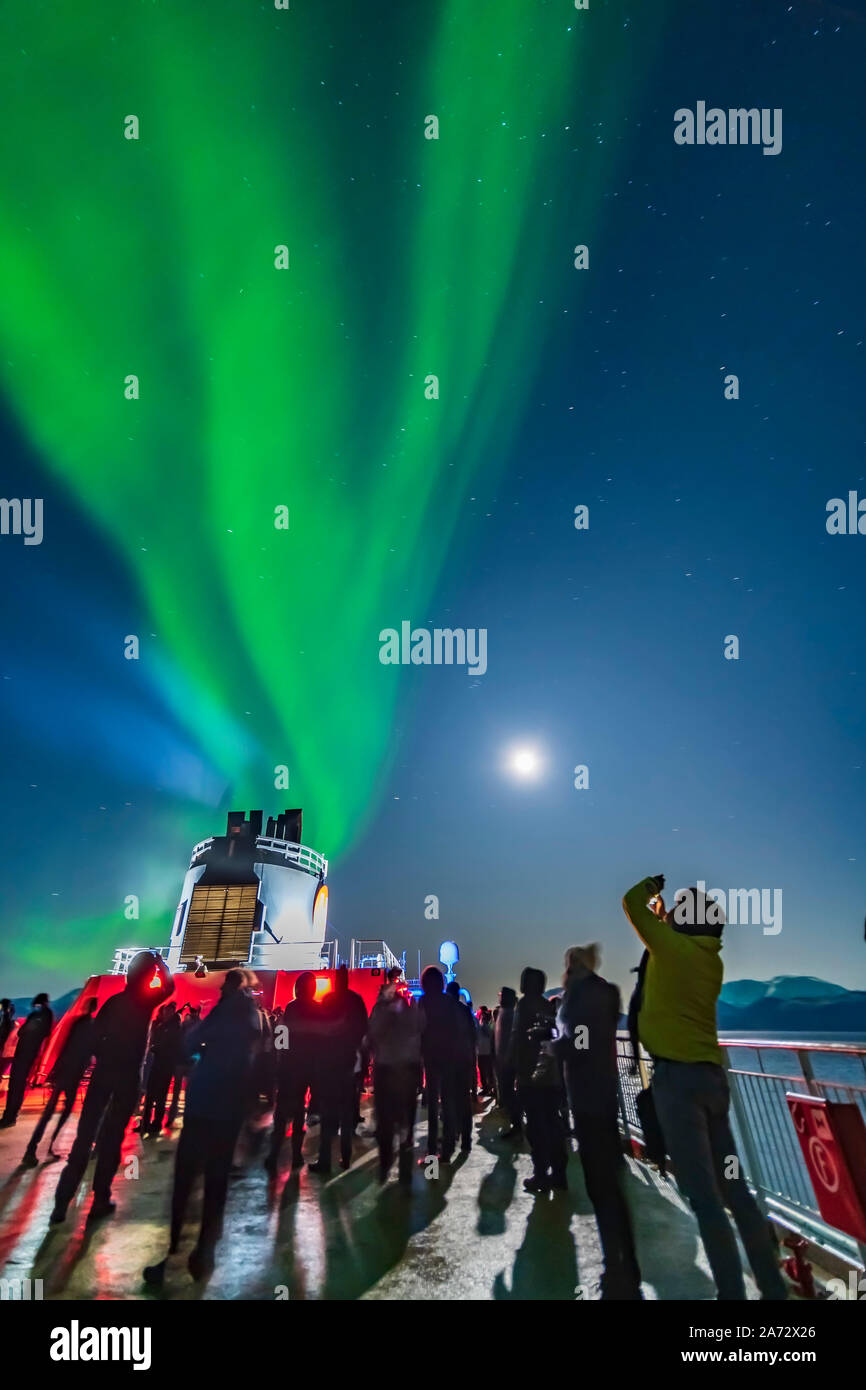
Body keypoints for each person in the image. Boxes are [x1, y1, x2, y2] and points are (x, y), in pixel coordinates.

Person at [622, 874, 787, 1301]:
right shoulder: (707, 958)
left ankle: (731, 1294)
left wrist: (649, 888)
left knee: (706, 1200)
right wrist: (666, 911)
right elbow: (665, 929)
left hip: (678, 1084)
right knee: (735, 1190)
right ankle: (773, 1288)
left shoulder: (672, 949)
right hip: (711, 1080)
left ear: (686, 923)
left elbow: (632, 904)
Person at [144, 969, 261, 1283]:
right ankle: (205, 1251)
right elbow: (255, 1058)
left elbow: (192, 1039)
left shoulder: (223, 1012)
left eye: (225, 984)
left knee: (185, 1179)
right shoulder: (252, 1016)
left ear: (232, 986)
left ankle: (171, 1253)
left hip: (204, 1102)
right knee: (216, 1181)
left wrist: (200, 1052)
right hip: (230, 1108)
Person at [51, 951, 174, 1224]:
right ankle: (100, 1199)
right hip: (127, 1078)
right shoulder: (144, 1003)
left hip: (102, 1076)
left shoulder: (112, 1003)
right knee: (112, 1140)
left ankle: (61, 1202)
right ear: (146, 977)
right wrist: (160, 964)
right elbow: (169, 986)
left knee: (84, 1140)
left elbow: (93, 1040)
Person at [558, 944, 643, 1299]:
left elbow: (578, 1044)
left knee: (599, 1183)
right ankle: (629, 1263)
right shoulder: (608, 992)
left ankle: (616, 1268)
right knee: (612, 1180)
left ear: (572, 966)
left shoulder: (577, 996)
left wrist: (553, 1048)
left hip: (587, 1097)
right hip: (607, 1094)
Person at [508, 968, 567, 1194]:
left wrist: (514, 1069)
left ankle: (541, 1174)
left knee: (536, 1127)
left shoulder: (523, 1007)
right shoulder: (547, 1007)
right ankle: (559, 1174)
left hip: (530, 1079)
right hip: (551, 1077)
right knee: (553, 1124)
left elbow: (518, 1042)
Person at [20, 998, 98, 1167]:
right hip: (73, 1074)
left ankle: (33, 1149)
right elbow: (89, 1050)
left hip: (65, 1072)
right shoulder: (91, 1026)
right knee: (64, 1112)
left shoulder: (77, 1023)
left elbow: (66, 1046)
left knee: (50, 1113)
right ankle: (48, 1146)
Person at [265, 972, 325, 1174]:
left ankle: (273, 1155)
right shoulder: (318, 1009)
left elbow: (281, 1038)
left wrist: (279, 1059)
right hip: (309, 1068)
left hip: (290, 1067)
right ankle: (296, 1156)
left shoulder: (291, 1007)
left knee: (281, 1115)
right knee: (300, 1112)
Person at [368, 977, 424, 1184]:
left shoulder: (381, 1011)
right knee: (405, 1126)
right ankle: (405, 1174)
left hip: (386, 1069)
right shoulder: (411, 1011)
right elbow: (420, 1031)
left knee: (385, 1123)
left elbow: (371, 1035)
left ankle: (385, 1166)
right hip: (407, 1070)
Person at [418, 966, 465, 1163]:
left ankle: (431, 1154)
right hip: (449, 1057)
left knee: (432, 1108)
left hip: (431, 1057)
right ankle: (447, 1149)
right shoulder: (450, 1002)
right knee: (448, 1102)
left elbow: (419, 1029)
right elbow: (457, 1029)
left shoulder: (423, 1001)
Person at [0, 993, 54, 1126]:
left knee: (15, 1086)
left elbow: (21, 1032)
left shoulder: (39, 1015)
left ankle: (9, 1117)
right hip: (30, 1055)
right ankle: (11, 1115)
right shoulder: (46, 1016)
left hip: (24, 1054)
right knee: (18, 1086)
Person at [141, 1002, 183, 1136]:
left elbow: (170, 1047)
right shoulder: (162, 1026)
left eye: (168, 1012)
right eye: (165, 1012)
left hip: (165, 1066)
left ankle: (156, 1124)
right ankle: (146, 1124)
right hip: (157, 1064)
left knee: (159, 1098)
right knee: (150, 1096)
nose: (165, 1014)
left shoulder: (174, 1028)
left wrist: (156, 1048)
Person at [446, 979, 477, 1150]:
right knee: (464, 1101)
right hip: (464, 1061)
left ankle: (451, 1139)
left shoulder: (444, 1011)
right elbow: (473, 1037)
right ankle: (466, 1140)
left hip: (448, 1062)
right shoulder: (466, 1011)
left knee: (449, 1101)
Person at [494, 986, 521, 1138]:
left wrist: (507, 1059)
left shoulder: (510, 1015)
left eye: (501, 995)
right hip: (504, 1060)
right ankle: (516, 1124)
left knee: (509, 1094)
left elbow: (512, 1038)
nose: (499, 997)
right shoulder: (505, 1013)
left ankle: (517, 1126)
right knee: (508, 1093)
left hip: (507, 1062)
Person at [476, 1007, 495, 1096]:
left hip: (483, 1052)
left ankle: (488, 1088)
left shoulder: (484, 1026)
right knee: (487, 1071)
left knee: (485, 1071)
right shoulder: (487, 1026)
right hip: (485, 1051)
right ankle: (490, 1088)